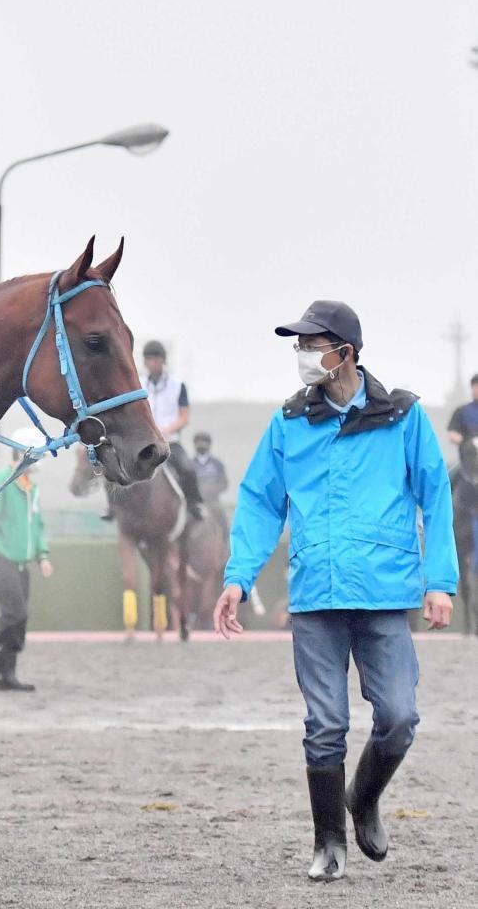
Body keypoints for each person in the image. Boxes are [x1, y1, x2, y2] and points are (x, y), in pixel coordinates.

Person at [213, 300, 457, 882]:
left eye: (311, 344)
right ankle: (329, 843)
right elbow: (259, 501)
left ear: (345, 352)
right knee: (325, 725)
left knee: (399, 717)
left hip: (382, 593)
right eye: (297, 345)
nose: (301, 355)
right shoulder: (289, 422)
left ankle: (364, 797)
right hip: (316, 598)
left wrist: (440, 581)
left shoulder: (403, 416)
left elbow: (435, 495)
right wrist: (238, 577)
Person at [0, 428, 53, 692]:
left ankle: (8, 673)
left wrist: (42, 556)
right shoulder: (0, 480)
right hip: (0, 558)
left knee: (20, 620)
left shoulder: (32, 488)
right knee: (14, 612)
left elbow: (37, 525)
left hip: (22, 561)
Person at [103, 340, 202, 520]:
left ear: (163, 360)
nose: (152, 363)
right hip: (141, 442)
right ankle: (112, 508)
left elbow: (184, 417)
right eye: (148, 359)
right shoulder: (137, 384)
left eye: (155, 359)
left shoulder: (178, 385)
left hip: (169, 441)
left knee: (188, 469)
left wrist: (164, 430)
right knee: (112, 465)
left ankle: (195, 504)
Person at [189, 431, 228, 531]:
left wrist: (212, 491)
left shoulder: (217, 464)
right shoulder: (189, 464)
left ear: (209, 444)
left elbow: (224, 483)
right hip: (196, 503)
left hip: (213, 502)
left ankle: (226, 543)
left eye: (205, 442)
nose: (202, 445)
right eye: (198, 442)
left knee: (223, 519)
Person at [447, 373, 478, 446]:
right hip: (470, 454)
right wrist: (466, 442)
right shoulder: (462, 411)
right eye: (476, 386)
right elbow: (452, 433)